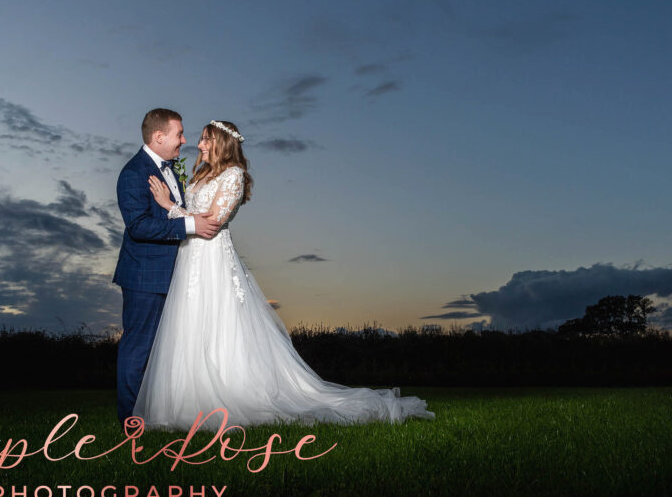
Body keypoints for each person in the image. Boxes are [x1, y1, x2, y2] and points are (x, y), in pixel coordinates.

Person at [133, 119, 434, 430]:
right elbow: (195, 216)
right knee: (189, 326)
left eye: (206, 139)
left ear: (222, 142)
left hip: (213, 262)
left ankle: (227, 393)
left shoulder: (234, 176)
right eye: (200, 139)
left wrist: (169, 206)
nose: (199, 145)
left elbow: (213, 223)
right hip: (189, 260)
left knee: (219, 325)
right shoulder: (200, 175)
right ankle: (185, 399)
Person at [112, 109, 221, 423]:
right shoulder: (134, 173)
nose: (184, 141)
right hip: (146, 277)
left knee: (166, 351)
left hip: (174, 275)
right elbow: (139, 226)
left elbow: (174, 210)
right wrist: (190, 226)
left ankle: (159, 413)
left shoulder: (172, 169)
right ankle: (132, 421)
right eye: (179, 134)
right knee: (139, 349)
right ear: (158, 137)